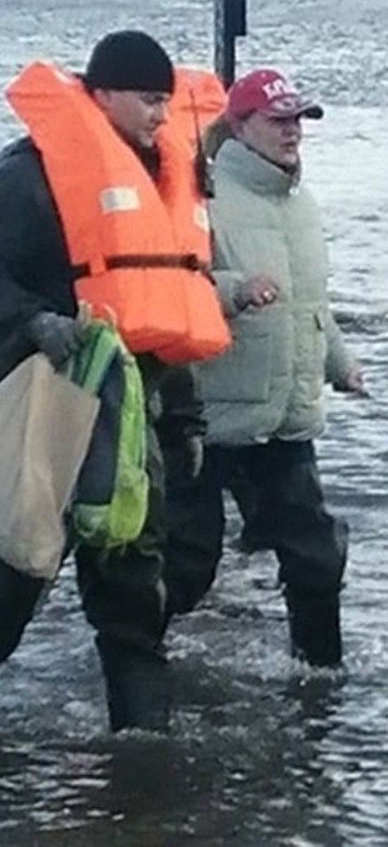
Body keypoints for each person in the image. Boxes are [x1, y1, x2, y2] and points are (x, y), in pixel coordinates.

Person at [0, 31, 231, 732]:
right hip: (43, 411)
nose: (163, 116)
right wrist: (35, 322)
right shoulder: (28, 176)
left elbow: (168, 313)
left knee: (133, 595)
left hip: (132, 428)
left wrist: (183, 424)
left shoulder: (167, 183)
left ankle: (143, 746)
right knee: (12, 585)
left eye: (167, 100)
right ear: (101, 95)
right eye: (148, 100)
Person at [162, 69, 362, 668]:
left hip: (288, 416)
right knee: (189, 564)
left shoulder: (302, 204)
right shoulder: (204, 198)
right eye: (279, 120)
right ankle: (130, 655)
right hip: (212, 414)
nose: (293, 132)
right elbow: (175, 285)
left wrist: (340, 365)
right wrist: (235, 291)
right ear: (241, 126)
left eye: (299, 120)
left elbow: (312, 304)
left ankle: (320, 676)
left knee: (317, 557)